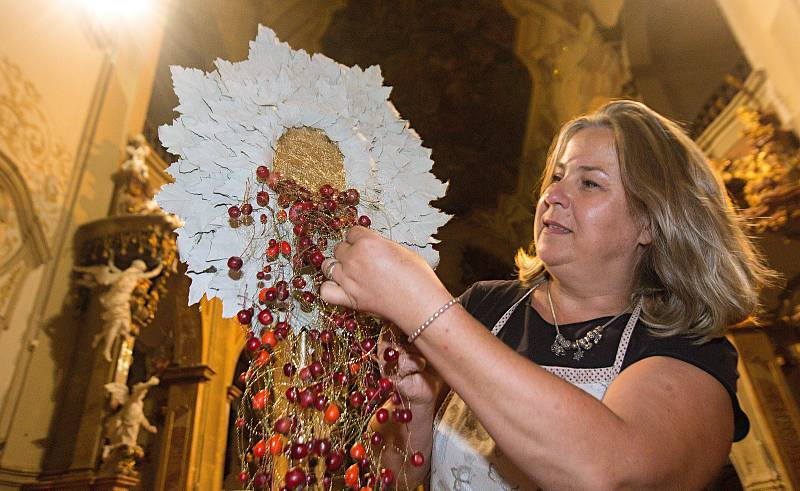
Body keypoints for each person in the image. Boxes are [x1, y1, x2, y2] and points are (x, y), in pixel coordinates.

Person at [320, 100, 772, 490]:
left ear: (651, 222)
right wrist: (414, 407)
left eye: (589, 183)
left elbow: (613, 475)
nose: (552, 194)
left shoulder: (689, 348)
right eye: (556, 177)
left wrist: (425, 307)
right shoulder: (486, 307)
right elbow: (390, 476)